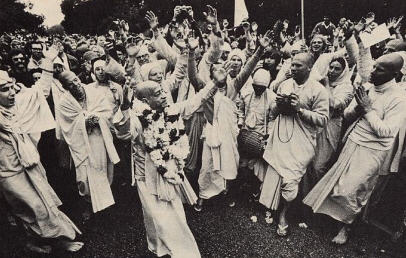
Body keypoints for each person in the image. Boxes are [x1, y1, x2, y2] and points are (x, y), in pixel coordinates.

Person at [303, 52, 406, 245]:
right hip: (352, 140)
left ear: (394, 74)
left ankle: (346, 228)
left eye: (379, 69)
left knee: (355, 189)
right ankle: (329, 219)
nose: (372, 71)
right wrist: (358, 109)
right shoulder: (368, 87)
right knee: (337, 184)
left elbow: (386, 131)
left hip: (373, 150)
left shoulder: (400, 99)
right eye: (374, 66)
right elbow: (347, 116)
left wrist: (367, 110)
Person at [115, 72, 220, 257]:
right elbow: (123, 134)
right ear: (145, 101)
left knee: (173, 219)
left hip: (170, 173)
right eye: (157, 93)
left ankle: (183, 253)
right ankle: (159, 248)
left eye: (162, 91)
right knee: (154, 218)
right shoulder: (138, 119)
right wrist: (124, 108)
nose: (164, 95)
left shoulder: (170, 111)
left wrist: (214, 84)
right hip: (146, 178)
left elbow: (194, 102)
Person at [0, 70, 84, 254]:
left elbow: (41, 92)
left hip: (29, 165)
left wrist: (48, 64)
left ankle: (56, 240)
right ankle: (35, 241)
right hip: (8, 171)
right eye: (5, 90)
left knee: (45, 204)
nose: (12, 93)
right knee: (29, 208)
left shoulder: (16, 108)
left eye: (12, 87)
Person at [259, 53, 329, 236]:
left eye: (298, 65)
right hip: (280, 137)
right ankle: (271, 206)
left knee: (291, 179)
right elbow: (273, 112)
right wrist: (279, 105)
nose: (293, 68)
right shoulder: (285, 84)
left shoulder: (319, 90)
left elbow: (323, 120)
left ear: (309, 68)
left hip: (301, 143)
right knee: (274, 172)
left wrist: (300, 110)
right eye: (293, 65)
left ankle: (284, 214)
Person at [58, 71, 119, 221]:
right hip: (80, 144)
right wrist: (84, 122)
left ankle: (105, 205)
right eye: (71, 84)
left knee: (101, 169)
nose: (76, 84)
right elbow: (67, 126)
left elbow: (107, 111)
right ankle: (87, 203)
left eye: (76, 79)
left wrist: (97, 118)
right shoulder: (64, 102)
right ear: (65, 87)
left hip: (98, 137)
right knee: (83, 176)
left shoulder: (93, 92)